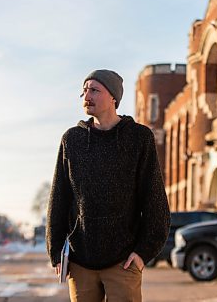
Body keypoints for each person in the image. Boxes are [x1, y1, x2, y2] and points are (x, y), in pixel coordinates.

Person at [46, 69, 171, 302]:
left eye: (94, 90)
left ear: (113, 97)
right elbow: (59, 198)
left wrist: (143, 253)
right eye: (84, 90)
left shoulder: (138, 138)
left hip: (124, 262)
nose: (87, 96)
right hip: (80, 261)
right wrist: (56, 252)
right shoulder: (72, 140)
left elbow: (154, 200)